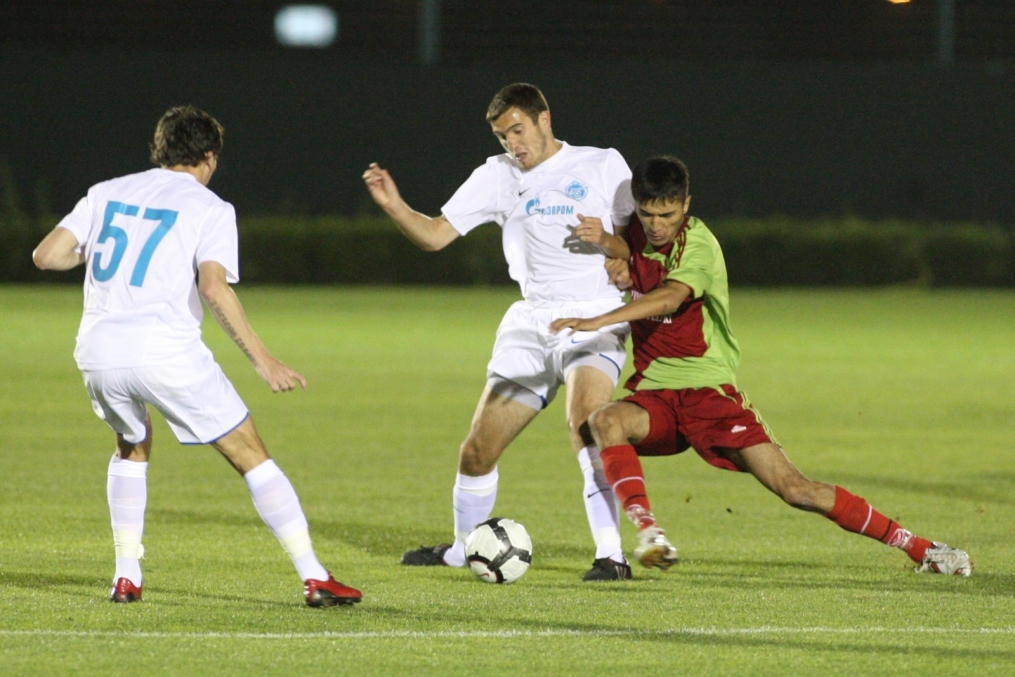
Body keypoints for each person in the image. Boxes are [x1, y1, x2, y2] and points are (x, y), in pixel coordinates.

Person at [550, 155, 972, 576]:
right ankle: (649, 533)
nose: (657, 224)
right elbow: (634, 248)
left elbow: (670, 298)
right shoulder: (642, 234)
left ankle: (920, 547)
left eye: (668, 214)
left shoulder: (698, 244)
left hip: (708, 395)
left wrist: (598, 320)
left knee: (796, 490)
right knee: (605, 420)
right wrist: (607, 241)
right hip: (655, 396)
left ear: (686, 205)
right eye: (647, 214)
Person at [32, 106, 363, 606]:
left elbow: (47, 255)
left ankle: (126, 576)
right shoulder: (210, 207)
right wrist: (262, 360)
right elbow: (213, 287)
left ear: (160, 150)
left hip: (98, 354)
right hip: (165, 352)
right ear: (208, 157)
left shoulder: (106, 192)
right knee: (250, 454)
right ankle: (315, 576)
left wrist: (93, 254)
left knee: (132, 445)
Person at [363, 83, 638, 580]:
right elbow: (435, 235)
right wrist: (395, 206)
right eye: (502, 136)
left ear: (544, 119)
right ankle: (462, 549)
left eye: (517, 130)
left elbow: (640, 241)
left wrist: (619, 257)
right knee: (475, 451)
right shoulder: (496, 177)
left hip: (594, 318)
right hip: (532, 324)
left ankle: (611, 556)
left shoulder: (603, 164)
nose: (512, 144)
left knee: (587, 426)